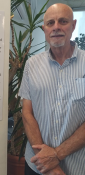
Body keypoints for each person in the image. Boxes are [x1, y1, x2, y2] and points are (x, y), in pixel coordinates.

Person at [19, 3, 85, 175]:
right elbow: (27, 113)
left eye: (62, 21)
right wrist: (47, 162)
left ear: (73, 25)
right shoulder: (31, 65)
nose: (56, 27)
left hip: (77, 166)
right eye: (50, 23)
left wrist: (56, 155)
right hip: (36, 165)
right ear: (44, 29)